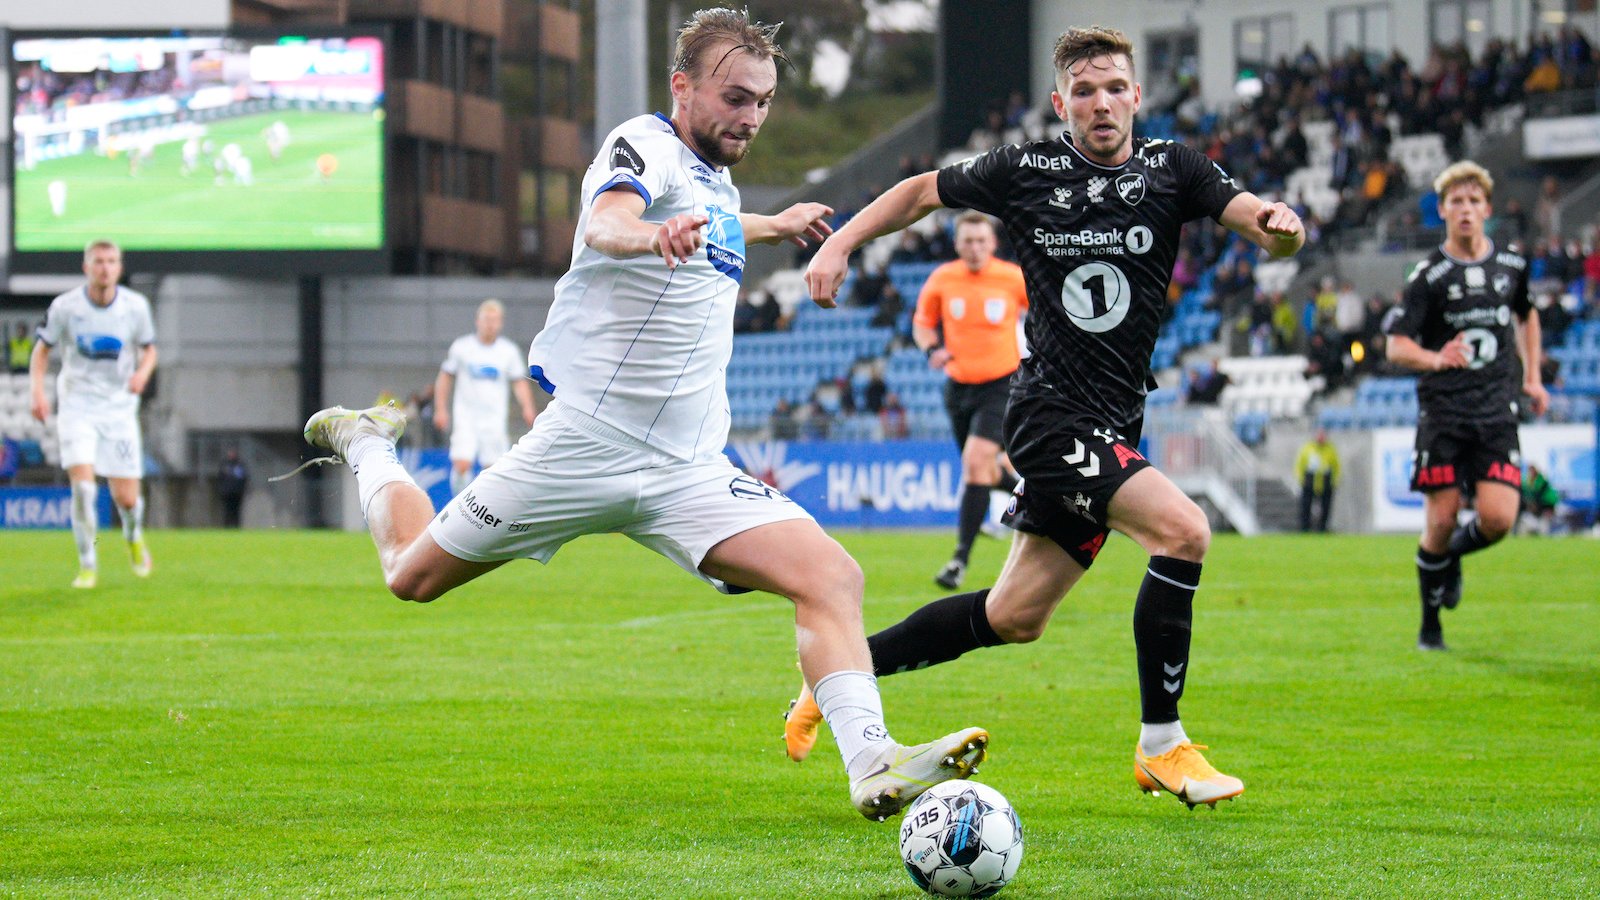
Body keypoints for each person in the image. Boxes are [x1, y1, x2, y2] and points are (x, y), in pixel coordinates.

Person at [290, 8, 985, 823]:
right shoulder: (644, 145)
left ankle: (871, 762)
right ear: (681, 87)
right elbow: (608, 222)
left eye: (763, 101)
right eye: (735, 97)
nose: (751, 117)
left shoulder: (715, 183)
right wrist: (651, 236)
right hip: (584, 447)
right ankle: (368, 443)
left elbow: (710, 223)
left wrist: (775, 224)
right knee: (410, 576)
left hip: (688, 469)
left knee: (833, 577)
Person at [787, 25, 1306, 809]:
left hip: (1115, 420)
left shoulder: (1174, 169)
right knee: (1184, 531)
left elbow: (1257, 224)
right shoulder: (1026, 169)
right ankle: (1163, 745)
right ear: (1062, 104)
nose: (1102, 103)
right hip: (1049, 416)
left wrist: (1280, 229)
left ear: (1137, 95)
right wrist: (842, 244)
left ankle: (836, 676)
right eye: (1084, 91)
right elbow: (920, 191)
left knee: (1013, 616)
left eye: (1115, 88)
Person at [1385, 160, 1548, 652]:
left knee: (1498, 520)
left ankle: (1453, 557)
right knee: (1440, 520)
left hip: (1496, 410)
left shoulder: (1512, 266)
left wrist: (1533, 377)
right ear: (1442, 210)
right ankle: (1430, 625)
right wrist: (1436, 358)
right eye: (1456, 201)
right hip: (1444, 412)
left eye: (1474, 201)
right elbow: (1396, 345)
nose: (1466, 209)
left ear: (1487, 209)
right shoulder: (1428, 275)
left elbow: (1527, 315)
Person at [29, 240, 158, 588]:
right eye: (98, 261)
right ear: (86, 267)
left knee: (126, 499)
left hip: (119, 408)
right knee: (84, 489)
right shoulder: (65, 307)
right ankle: (87, 564)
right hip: (77, 405)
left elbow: (150, 350)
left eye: (111, 261)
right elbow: (42, 350)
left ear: (119, 268)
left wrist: (142, 374)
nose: (105, 267)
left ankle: (133, 536)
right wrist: (37, 392)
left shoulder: (135, 307)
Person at [913, 212, 1028, 589]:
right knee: (982, 472)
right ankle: (1032, 494)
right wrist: (932, 349)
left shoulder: (1012, 278)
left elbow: (1047, 313)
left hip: (1001, 383)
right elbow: (922, 322)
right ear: (957, 244)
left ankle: (959, 560)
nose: (975, 247)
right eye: (968, 241)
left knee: (975, 464)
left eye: (981, 241)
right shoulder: (943, 278)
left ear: (993, 243)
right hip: (958, 386)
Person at [433, 299, 537, 497]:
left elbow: (519, 382)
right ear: (477, 321)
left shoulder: (508, 351)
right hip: (466, 416)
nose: (490, 324)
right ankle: (458, 504)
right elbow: (445, 377)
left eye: (494, 320)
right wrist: (441, 409)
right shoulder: (462, 347)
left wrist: (528, 407)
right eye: (487, 319)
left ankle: (482, 510)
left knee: (493, 469)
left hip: (494, 418)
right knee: (462, 464)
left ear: (500, 323)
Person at [1294, 429, 1340, 532]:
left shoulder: (1330, 449)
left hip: (1325, 481)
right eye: (1319, 435)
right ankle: (1305, 528)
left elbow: (1336, 466)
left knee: (1326, 507)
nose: (1321, 437)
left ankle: (1322, 528)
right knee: (1305, 505)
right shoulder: (1307, 448)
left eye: (1322, 435)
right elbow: (1299, 465)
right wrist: (1301, 479)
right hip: (1309, 481)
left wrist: (1335, 480)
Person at [217, 447, 249, 528]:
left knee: (236, 511)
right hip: (227, 492)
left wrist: (242, 489)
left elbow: (244, 478)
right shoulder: (224, 465)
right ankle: (227, 526)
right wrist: (222, 489)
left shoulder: (240, 465)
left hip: (237, 492)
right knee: (227, 511)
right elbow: (220, 478)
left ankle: (236, 526)